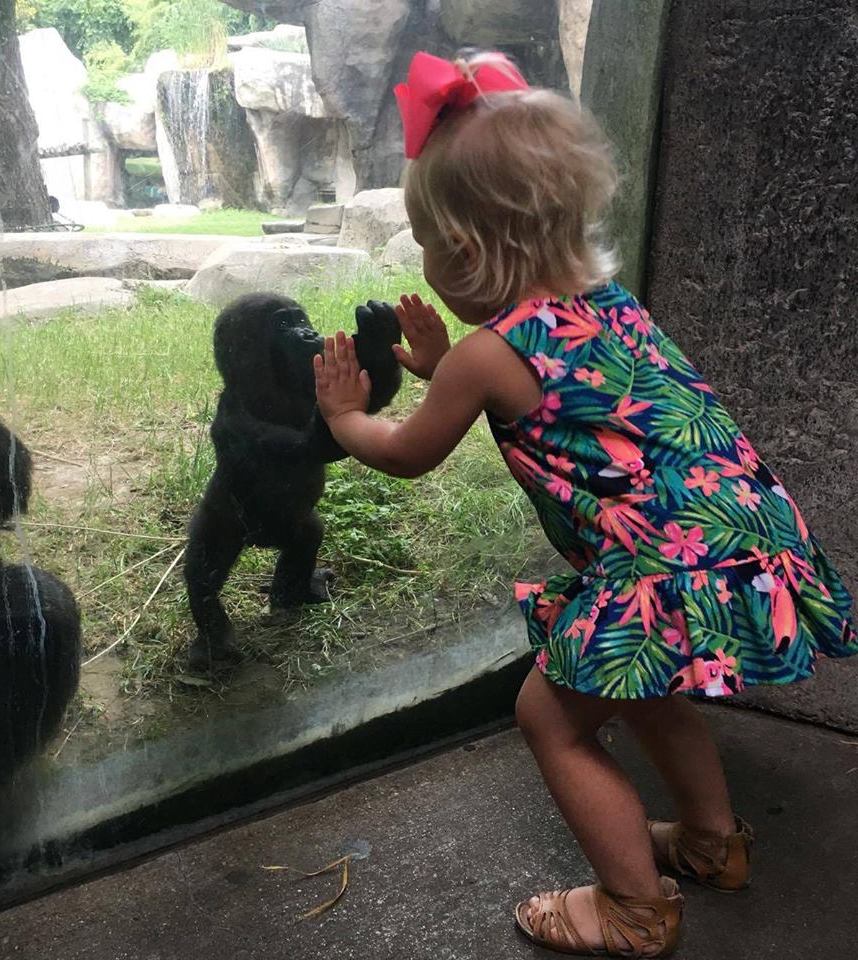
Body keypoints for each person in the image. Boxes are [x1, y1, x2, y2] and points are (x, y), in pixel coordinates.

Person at [314, 51, 858, 957]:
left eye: (427, 242)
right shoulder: (610, 306)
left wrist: (344, 415)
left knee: (549, 718)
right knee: (643, 688)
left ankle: (632, 908)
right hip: (741, 533)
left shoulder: (489, 357)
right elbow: (565, 397)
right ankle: (713, 844)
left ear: (466, 253)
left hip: (660, 565)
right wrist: (438, 364)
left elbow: (409, 453)